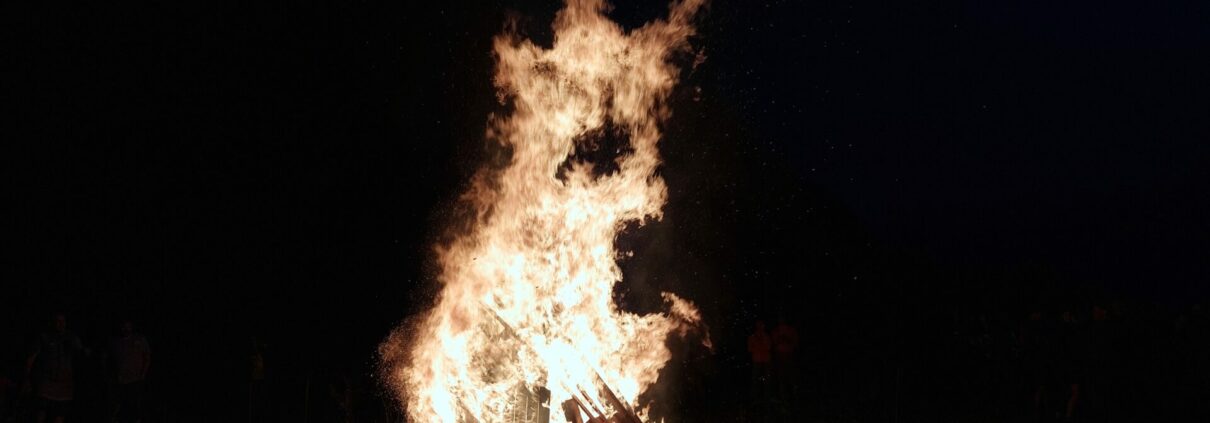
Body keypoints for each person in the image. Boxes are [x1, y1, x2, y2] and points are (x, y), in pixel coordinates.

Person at [25, 312, 85, 423]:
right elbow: (32, 357)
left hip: (65, 383)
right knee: (41, 411)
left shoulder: (72, 338)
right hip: (47, 381)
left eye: (63, 321)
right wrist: (27, 377)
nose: (61, 324)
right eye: (58, 321)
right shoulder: (45, 337)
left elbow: (81, 355)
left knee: (61, 413)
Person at [108, 320, 150, 423]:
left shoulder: (139, 339)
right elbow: (108, 359)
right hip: (120, 380)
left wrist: (143, 374)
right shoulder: (116, 342)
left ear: (131, 327)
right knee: (119, 403)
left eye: (128, 326)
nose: (126, 329)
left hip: (136, 378)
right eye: (124, 326)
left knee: (135, 403)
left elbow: (147, 356)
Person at [747, 321, 772, 411]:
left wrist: (758, 346)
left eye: (762, 325)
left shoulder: (766, 336)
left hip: (765, 361)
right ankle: (755, 399)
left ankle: (766, 399)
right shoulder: (752, 337)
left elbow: (769, 347)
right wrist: (760, 347)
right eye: (759, 325)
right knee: (756, 381)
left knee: (766, 381)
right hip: (757, 360)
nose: (761, 327)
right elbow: (749, 349)